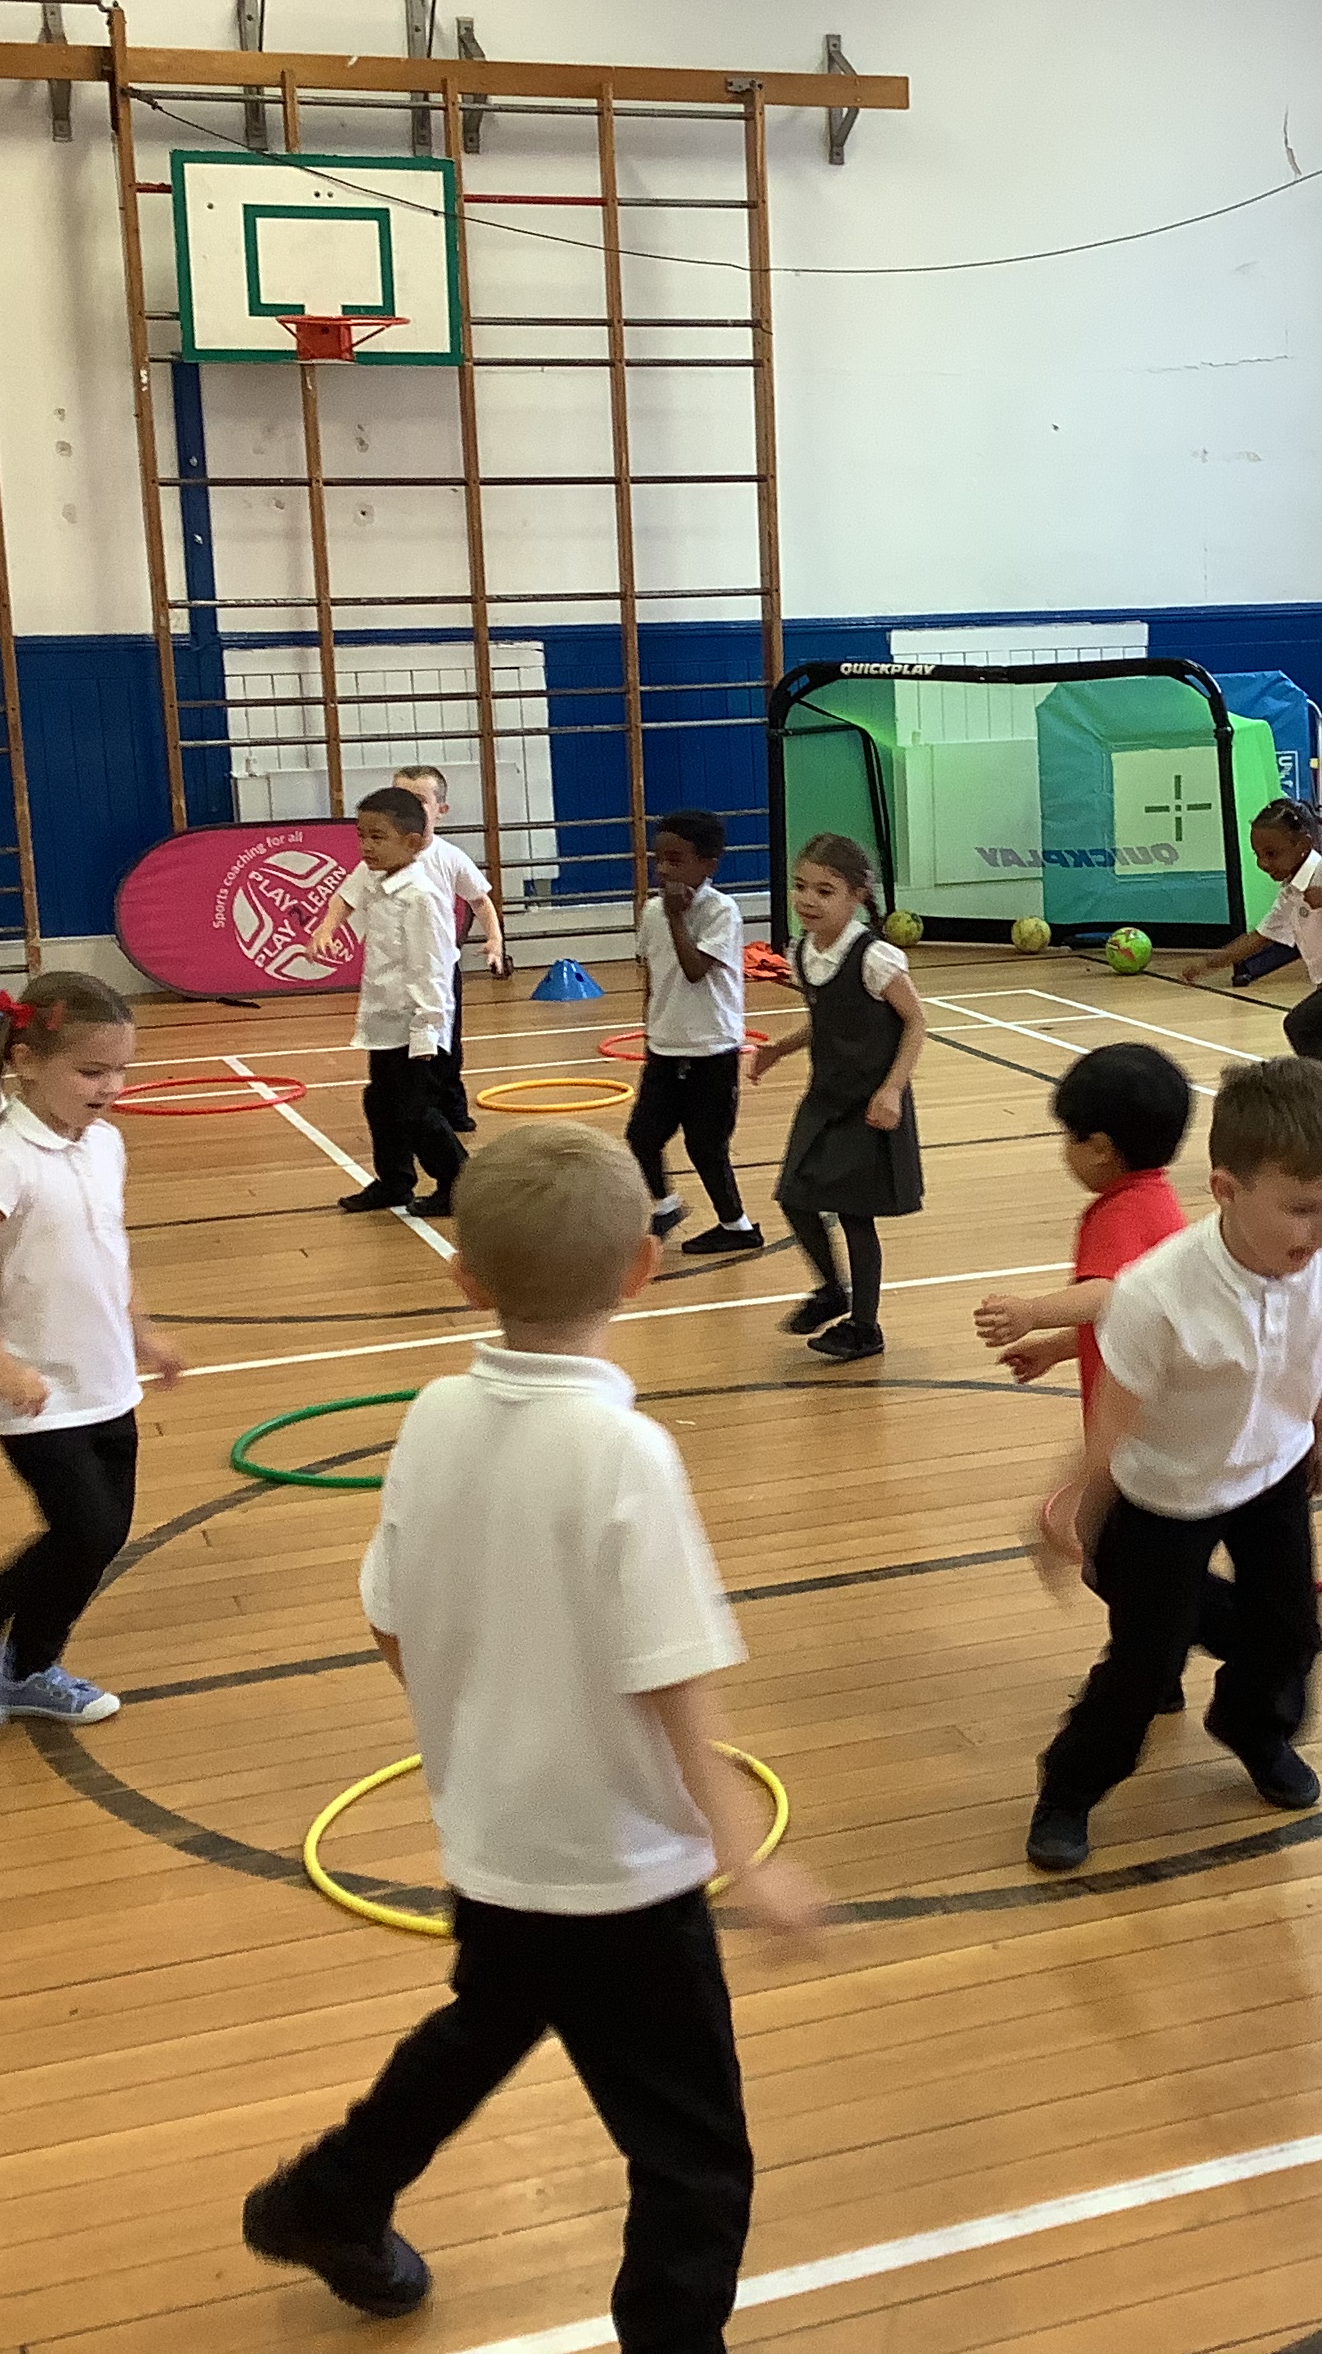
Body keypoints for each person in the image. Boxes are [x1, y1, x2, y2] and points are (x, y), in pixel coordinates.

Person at [241, 1120, 821, 2338]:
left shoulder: (434, 1416)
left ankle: (329, 2198)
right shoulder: (624, 1453)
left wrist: (472, 1729)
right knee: (694, 2159)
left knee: (490, 2019)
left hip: (494, 1838)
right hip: (620, 1874)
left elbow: (388, 1616)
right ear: (643, 1268)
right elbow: (675, 1675)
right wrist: (746, 1855)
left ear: (464, 1275)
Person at [1024, 1057, 1322, 1874]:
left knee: (1293, 1636)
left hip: (1274, 1472)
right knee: (1144, 1666)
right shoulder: (1157, 1292)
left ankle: (1253, 1729)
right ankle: (1070, 1787)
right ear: (1226, 1191)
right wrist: (1081, 1509)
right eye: (1302, 1208)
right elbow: (1114, 1415)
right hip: (1167, 1493)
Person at [0, 972, 185, 1727]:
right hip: (38, 1394)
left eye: (121, 1070)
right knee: (84, 1531)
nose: (112, 1088)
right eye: (92, 1071)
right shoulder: (3, 1160)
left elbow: (108, 1251)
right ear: (28, 1062)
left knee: (99, 1539)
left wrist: (143, 1331)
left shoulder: (104, 1145)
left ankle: (27, 1664)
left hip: (108, 1382)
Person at [973, 1041, 1230, 1710]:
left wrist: (1032, 1311)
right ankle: (1159, 1672)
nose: (1065, 1150)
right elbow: (1133, 1313)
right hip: (1153, 1410)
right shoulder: (1152, 1200)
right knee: (1133, 1558)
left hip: (1143, 1420)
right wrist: (1060, 1348)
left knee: (1113, 1558)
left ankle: (1234, 1637)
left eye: (1070, 1137)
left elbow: (1111, 1293)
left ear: (1100, 1149)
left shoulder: (1119, 1213)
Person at [744, 833, 925, 1363]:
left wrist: (892, 1089)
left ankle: (865, 1326)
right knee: (793, 1195)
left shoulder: (876, 959)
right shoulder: (802, 953)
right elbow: (826, 1021)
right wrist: (779, 1049)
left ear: (856, 896)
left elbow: (916, 1022)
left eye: (825, 891)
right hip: (825, 1098)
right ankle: (831, 1290)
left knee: (854, 1215)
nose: (807, 900)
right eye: (800, 886)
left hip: (869, 1103)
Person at [306, 784, 467, 1221]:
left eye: (378, 837)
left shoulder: (421, 897)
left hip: (417, 1024)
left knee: (417, 1110)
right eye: (362, 835)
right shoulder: (372, 875)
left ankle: (459, 1182)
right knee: (381, 1102)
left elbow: (431, 969)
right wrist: (325, 929)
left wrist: (427, 1031)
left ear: (412, 842)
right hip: (383, 1018)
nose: (367, 846)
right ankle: (394, 1181)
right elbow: (345, 897)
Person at [627, 808, 763, 1256]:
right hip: (665, 1046)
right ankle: (665, 1205)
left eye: (676, 860)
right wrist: (650, 1027)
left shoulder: (720, 911)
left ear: (708, 864)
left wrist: (676, 917)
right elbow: (654, 975)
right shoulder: (652, 911)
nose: (664, 870)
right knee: (642, 1136)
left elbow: (693, 969)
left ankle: (738, 1225)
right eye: (659, 860)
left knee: (706, 1146)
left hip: (711, 1048)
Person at [1176, 799, 1322, 1064]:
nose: (1263, 863)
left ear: (1303, 845)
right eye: (1258, 855)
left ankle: (1320, 1089)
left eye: (1271, 854)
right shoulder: (1290, 892)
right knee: (1317, 1043)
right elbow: (1259, 938)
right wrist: (1208, 963)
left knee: (1299, 1026)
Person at [391, 765, 509, 1135]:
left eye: (419, 800)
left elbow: (480, 901)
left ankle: (451, 1109)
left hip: (440, 971)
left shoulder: (449, 856)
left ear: (440, 810)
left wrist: (495, 940)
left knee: (445, 1044)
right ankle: (409, 1108)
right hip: (398, 971)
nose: (409, 807)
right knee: (401, 1046)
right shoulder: (383, 857)